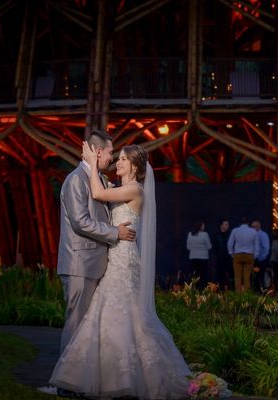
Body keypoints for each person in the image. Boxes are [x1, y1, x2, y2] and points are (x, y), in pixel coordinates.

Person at [50, 143, 193, 399]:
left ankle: (128, 376)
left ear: (136, 166)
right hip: (113, 256)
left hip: (124, 258)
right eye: (119, 159)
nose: (119, 163)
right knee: (107, 312)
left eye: (124, 159)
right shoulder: (119, 187)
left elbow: (96, 192)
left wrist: (91, 164)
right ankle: (105, 376)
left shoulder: (134, 190)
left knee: (126, 313)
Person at [55, 130, 136, 356]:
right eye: (110, 152)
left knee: (86, 327)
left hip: (94, 263)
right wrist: (115, 233)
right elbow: (81, 222)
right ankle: (65, 381)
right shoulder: (75, 180)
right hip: (79, 265)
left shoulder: (98, 179)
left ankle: (79, 378)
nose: (111, 158)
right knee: (76, 324)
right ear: (98, 152)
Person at [227, 217, 259, 292]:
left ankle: (238, 293)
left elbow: (230, 243)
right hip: (249, 254)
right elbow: (256, 245)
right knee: (247, 276)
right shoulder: (253, 231)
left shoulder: (235, 231)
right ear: (248, 223)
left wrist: (231, 253)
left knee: (237, 275)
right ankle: (246, 293)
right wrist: (256, 255)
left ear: (239, 223)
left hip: (237, 254)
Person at [186, 220, 212, 289]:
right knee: (203, 275)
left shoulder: (190, 234)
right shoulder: (205, 234)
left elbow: (188, 247)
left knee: (194, 275)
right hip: (203, 258)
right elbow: (209, 246)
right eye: (203, 225)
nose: (204, 226)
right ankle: (201, 289)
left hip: (193, 257)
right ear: (200, 226)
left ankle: (193, 288)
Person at [251, 219, 270, 292]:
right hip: (254, 259)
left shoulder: (263, 235)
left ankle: (263, 293)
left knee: (261, 277)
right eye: (252, 226)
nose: (252, 228)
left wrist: (260, 258)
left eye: (253, 226)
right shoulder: (253, 235)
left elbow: (266, 248)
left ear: (258, 226)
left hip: (261, 260)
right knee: (255, 277)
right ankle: (256, 291)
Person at [213, 218, 232, 290]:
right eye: (226, 224)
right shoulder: (216, 235)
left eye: (228, 224)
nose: (227, 226)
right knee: (220, 276)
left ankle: (230, 291)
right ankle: (221, 291)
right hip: (220, 259)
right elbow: (214, 247)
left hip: (229, 258)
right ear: (221, 225)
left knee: (230, 276)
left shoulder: (230, 234)